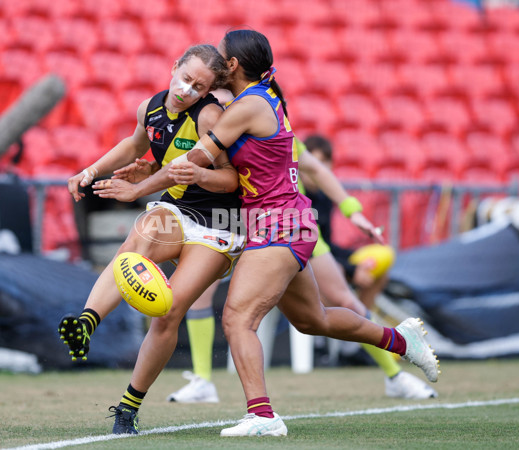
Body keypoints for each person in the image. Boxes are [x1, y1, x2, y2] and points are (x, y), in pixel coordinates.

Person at [99, 29, 440, 437]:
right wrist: (153, 166)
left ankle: (262, 416)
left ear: (233, 66)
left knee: (237, 318)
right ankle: (402, 341)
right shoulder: (255, 98)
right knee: (314, 320)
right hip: (281, 223)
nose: (212, 59)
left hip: (279, 224)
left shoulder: (248, 105)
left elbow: (191, 162)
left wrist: (138, 187)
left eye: (219, 57)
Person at [57, 44, 245, 434]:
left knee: (168, 312)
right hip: (176, 212)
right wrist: (89, 171)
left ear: (209, 91)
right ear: (174, 67)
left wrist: (196, 176)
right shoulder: (151, 107)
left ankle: (127, 408)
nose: (187, 90)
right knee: (135, 241)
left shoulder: (211, 115)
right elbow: (134, 144)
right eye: (185, 78)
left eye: (198, 86)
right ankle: (87, 323)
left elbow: (231, 179)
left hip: (216, 225)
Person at [166, 137, 437, 404]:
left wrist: (351, 209)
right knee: (207, 298)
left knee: (340, 300)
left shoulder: (267, 128)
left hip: (287, 225)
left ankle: (395, 375)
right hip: (235, 225)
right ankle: (204, 381)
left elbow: (317, 169)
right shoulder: (211, 126)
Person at [302, 134, 390, 310]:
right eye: (315, 161)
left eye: (325, 162)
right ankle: (328, 329)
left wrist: (355, 265)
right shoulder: (297, 196)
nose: (319, 168)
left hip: (322, 252)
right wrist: (349, 269)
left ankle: (360, 327)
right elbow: (310, 247)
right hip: (303, 260)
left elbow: (325, 242)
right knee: (339, 273)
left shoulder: (325, 197)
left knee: (379, 270)